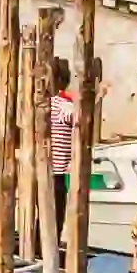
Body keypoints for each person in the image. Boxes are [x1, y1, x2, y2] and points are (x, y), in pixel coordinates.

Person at [50, 56, 77, 237]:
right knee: (56, 219)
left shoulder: (42, 105)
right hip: (57, 173)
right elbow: (82, 120)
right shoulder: (64, 107)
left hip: (40, 170)